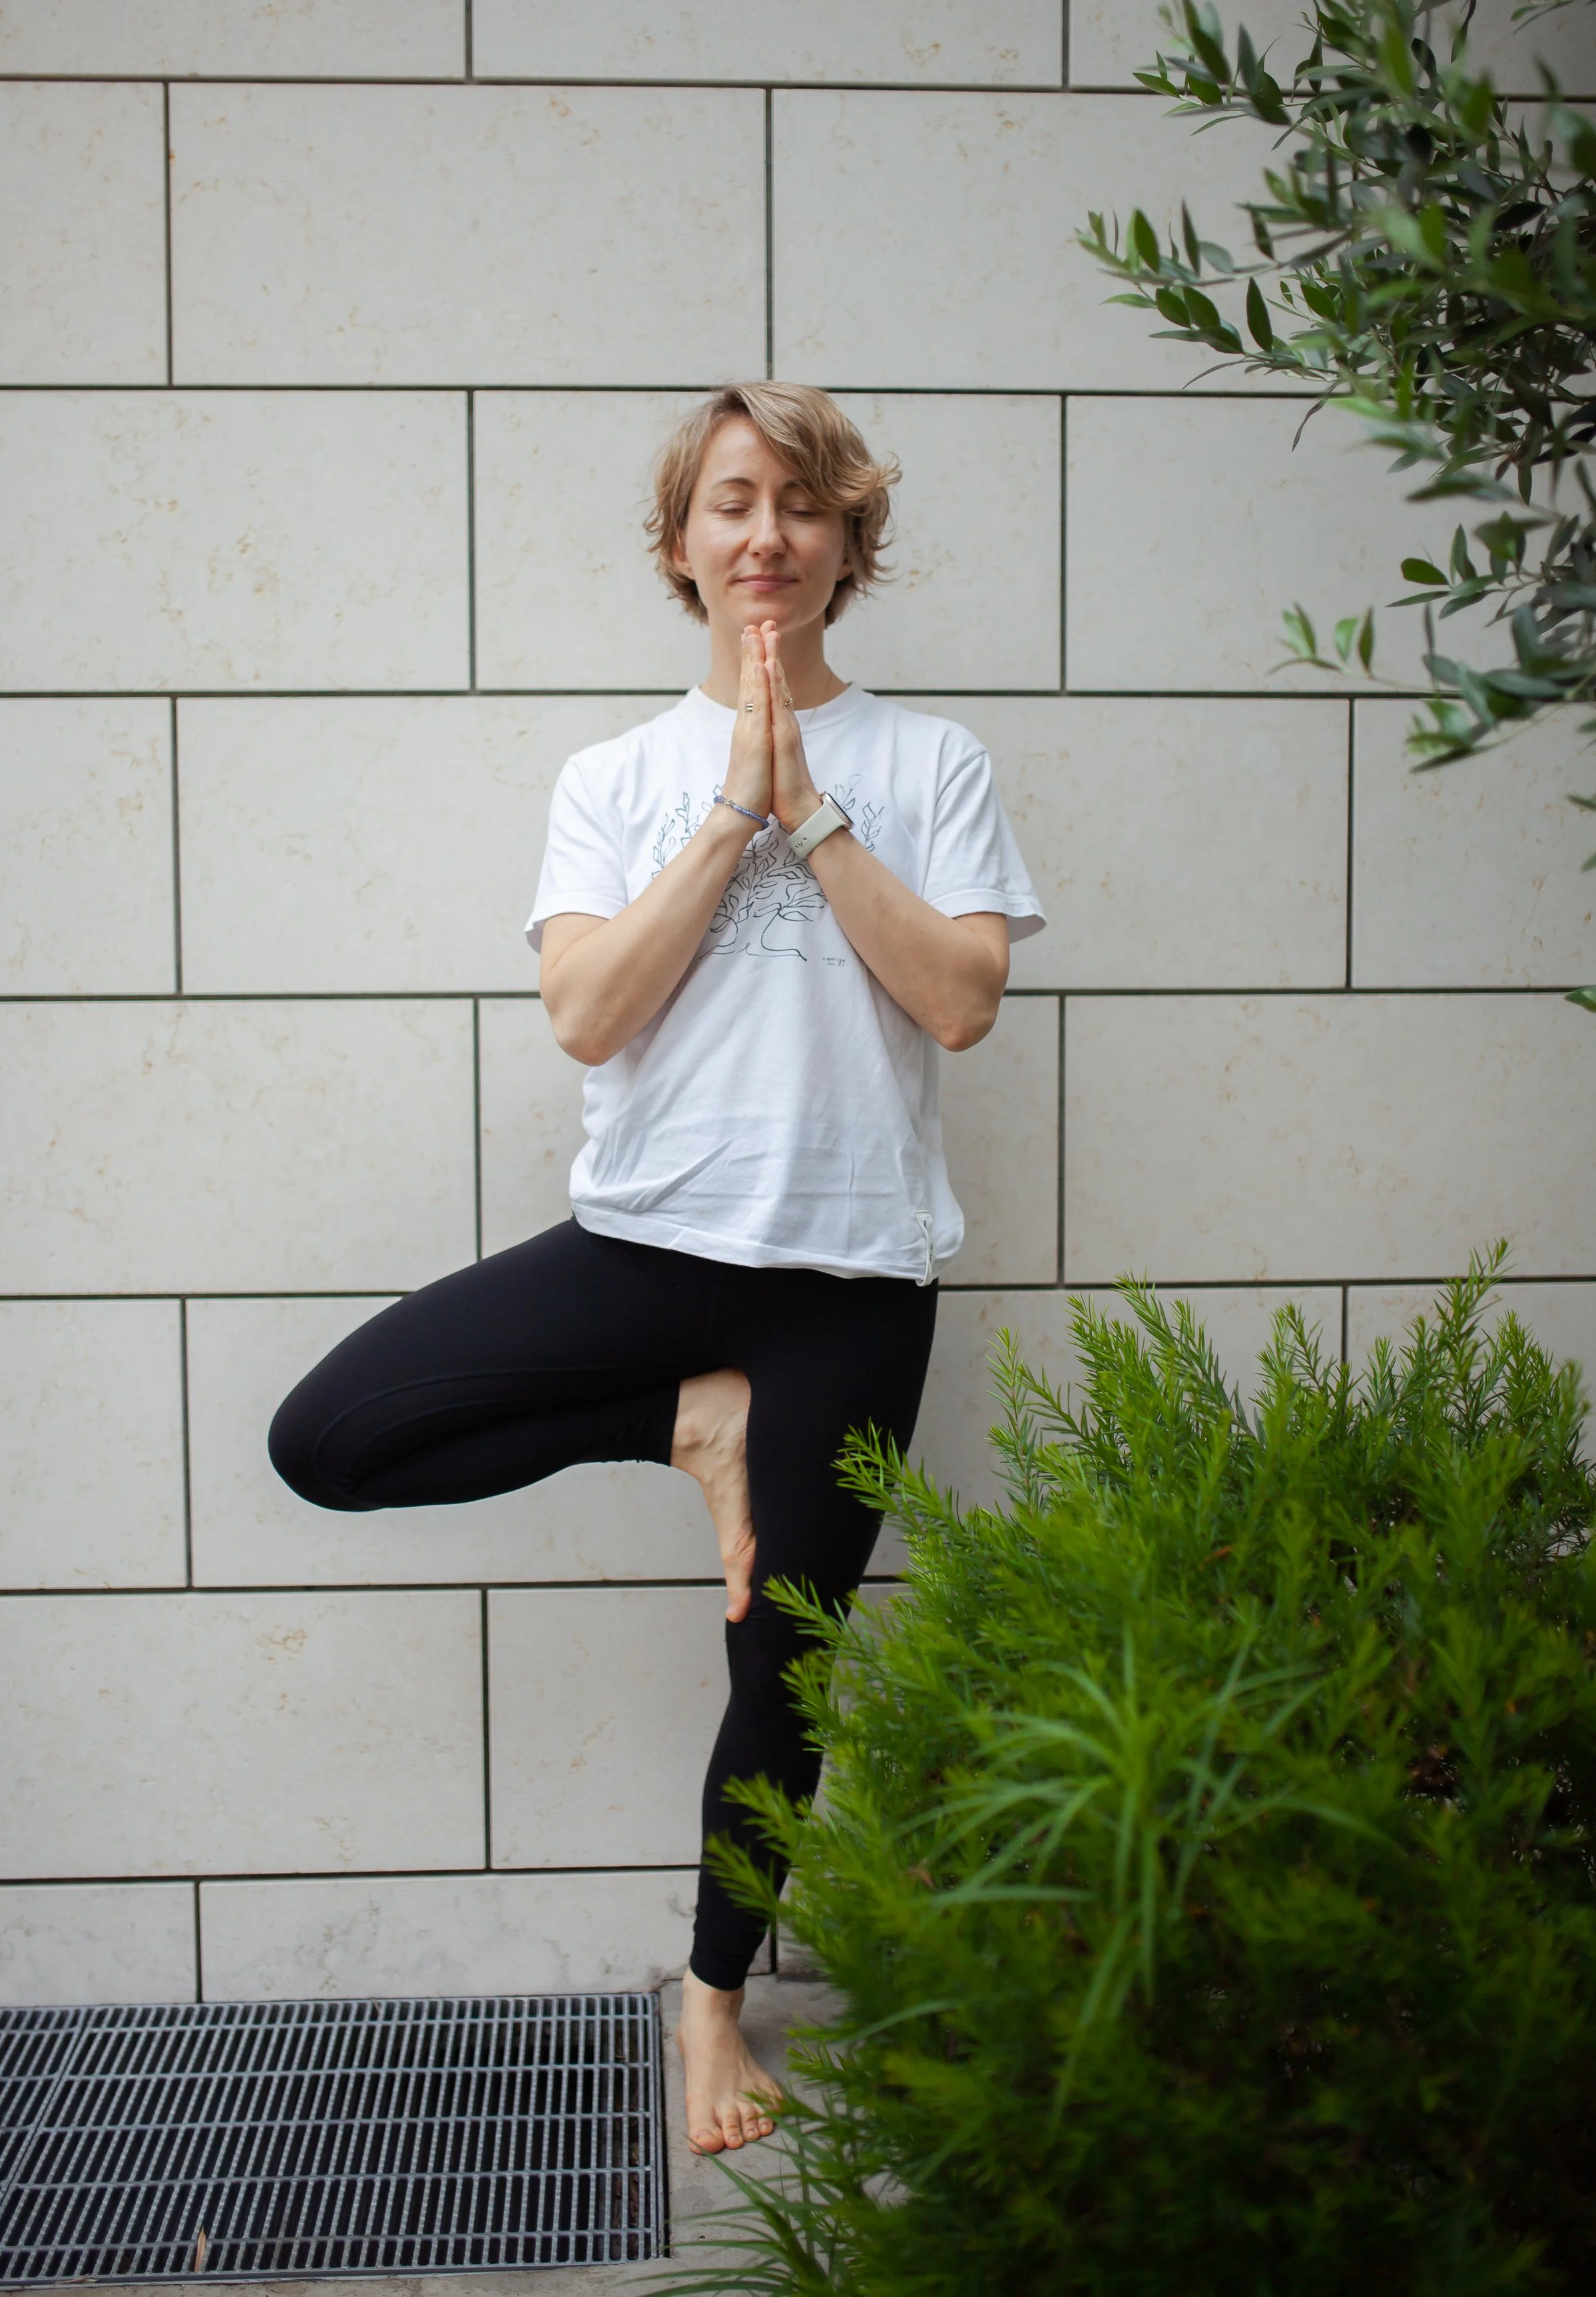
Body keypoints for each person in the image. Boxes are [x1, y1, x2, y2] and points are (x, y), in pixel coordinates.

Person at [268, 382, 1044, 2155]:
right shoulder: (609, 777)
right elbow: (589, 1015)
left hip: (846, 1280)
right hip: (641, 1249)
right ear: (680, 545)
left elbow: (960, 997)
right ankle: (683, 1421)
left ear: (847, 542)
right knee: (331, 1436)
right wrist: (723, 818)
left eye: (799, 504)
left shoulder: (933, 765)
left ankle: (711, 2008)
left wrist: (815, 811)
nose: (763, 533)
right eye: (728, 503)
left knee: (786, 1667)